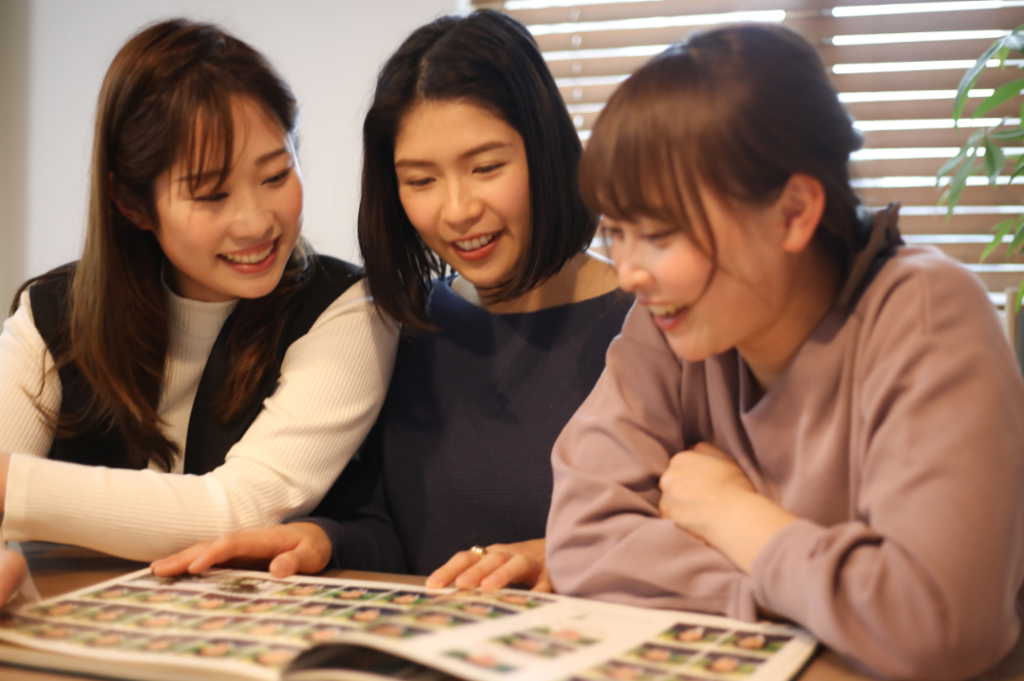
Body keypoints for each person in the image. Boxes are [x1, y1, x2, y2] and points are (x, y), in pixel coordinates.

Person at [543, 23, 1024, 680]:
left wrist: (732, 515)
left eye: (658, 233)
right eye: (616, 231)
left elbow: (934, 622)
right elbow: (581, 536)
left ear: (795, 211)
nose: (628, 271)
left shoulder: (925, 310)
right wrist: (800, 593)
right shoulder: (667, 321)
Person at [150, 10, 628, 592]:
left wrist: (573, 555)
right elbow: (395, 533)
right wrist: (327, 540)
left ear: (546, 148)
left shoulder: (651, 326)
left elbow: (705, 530)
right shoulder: (408, 324)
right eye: (421, 180)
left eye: (486, 167)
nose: (456, 210)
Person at [0, 19, 397, 602]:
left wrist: (17, 489)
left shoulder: (349, 310)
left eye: (276, 174)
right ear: (131, 204)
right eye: (212, 194)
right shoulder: (53, 313)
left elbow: (240, 509)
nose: (257, 222)